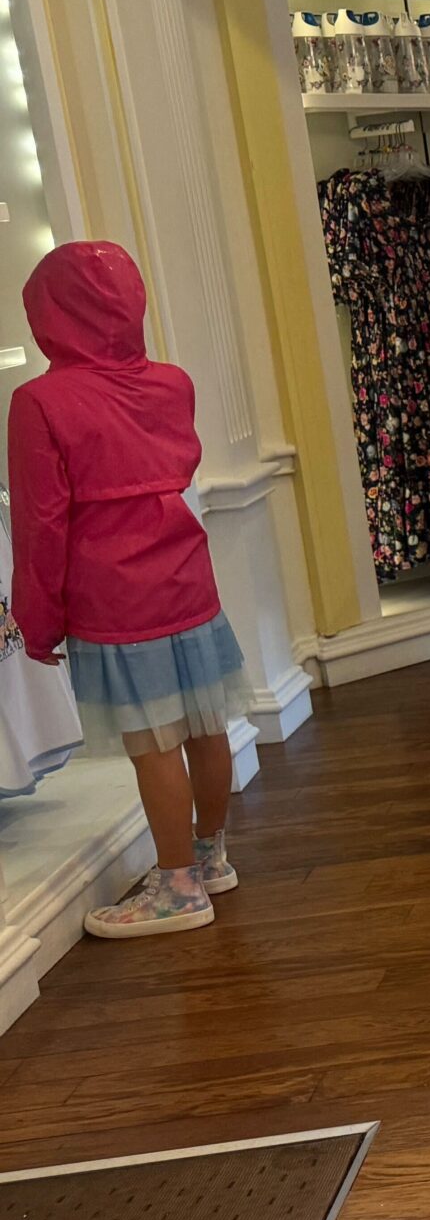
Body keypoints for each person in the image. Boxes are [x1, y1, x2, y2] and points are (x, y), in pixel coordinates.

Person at [7, 241, 250, 939]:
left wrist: (38, 620)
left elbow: (41, 522)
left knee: (152, 743)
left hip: (114, 591)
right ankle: (208, 857)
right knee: (206, 725)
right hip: (186, 574)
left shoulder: (40, 401)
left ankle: (176, 888)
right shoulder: (172, 383)